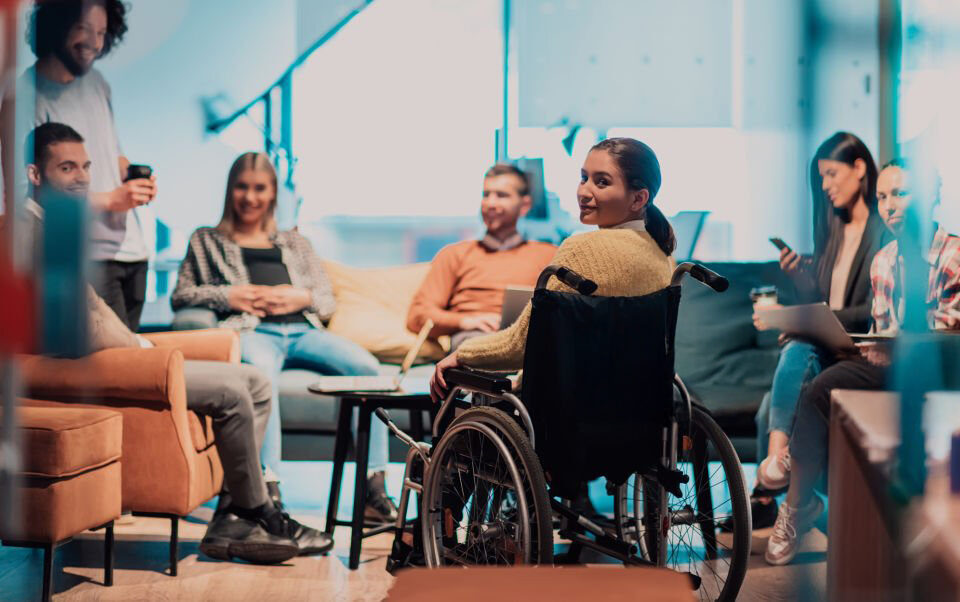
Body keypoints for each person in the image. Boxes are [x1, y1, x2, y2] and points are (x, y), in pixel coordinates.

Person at [20, 122, 332, 563]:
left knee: (256, 383)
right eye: (66, 168)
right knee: (231, 390)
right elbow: (77, 327)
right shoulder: (26, 233)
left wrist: (140, 345)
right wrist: (142, 350)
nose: (82, 178)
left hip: (116, 351)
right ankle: (259, 511)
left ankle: (231, 516)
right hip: (84, 362)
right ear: (35, 175)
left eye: (86, 166)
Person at [170, 151, 399, 523]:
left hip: (303, 330)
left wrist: (300, 296)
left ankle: (374, 490)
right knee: (260, 375)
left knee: (367, 367)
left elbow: (325, 298)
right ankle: (269, 492)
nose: (250, 197)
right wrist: (231, 295)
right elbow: (181, 294)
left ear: (272, 192)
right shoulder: (206, 239)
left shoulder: (295, 242)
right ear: (231, 190)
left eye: (259, 188)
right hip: (252, 330)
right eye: (242, 187)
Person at [765, 158, 960, 566]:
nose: (890, 206)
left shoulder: (952, 256)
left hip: (940, 368)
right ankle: (797, 503)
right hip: (889, 364)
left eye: (902, 193)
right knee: (821, 381)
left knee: (833, 383)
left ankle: (794, 470)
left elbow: (948, 333)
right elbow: (880, 327)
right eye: (883, 197)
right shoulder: (884, 260)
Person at [431, 137, 676, 398]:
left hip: (573, 404)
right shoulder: (662, 257)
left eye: (602, 182)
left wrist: (463, 354)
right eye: (584, 178)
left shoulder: (582, 250)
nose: (584, 191)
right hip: (635, 403)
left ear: (638, 198)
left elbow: (525, 344)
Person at [0, 0, 156, 330]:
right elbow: (25, 203)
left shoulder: (98, 83)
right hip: (83, 258)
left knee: (132, 372)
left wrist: (134, 179)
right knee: (114, 370)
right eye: (84, 29)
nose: (94, 44)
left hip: (132, 250)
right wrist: (113, 199)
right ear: (56, 26)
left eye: (102, 33)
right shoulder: (22, 99)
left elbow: (113, 153)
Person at [750, 132, 887, 517]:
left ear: (859, 168)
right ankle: (779, 489)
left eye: (831, 174)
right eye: (821, 179)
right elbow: (825, 303)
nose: (825, 186)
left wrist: (811, 321)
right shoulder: (831, 234)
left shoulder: (884, 233)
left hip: (859, 348)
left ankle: (775, 486)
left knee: (798, 346)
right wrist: (800, 282)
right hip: (827, 346)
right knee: (768, 405)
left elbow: (871, 310)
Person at [407, 163, 556, 351]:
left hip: (530, 339)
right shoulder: (455, 254)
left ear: (524, 205)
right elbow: (417, 316)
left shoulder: (548, 254)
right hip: (474, 339)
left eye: (501, 195)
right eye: (486, 195)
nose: (490, 203)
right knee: (478, 347)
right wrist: (465, 321)